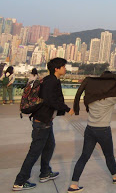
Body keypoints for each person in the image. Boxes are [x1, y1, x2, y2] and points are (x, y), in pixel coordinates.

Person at [13, 57, 74, 191]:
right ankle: (20, 181)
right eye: (63, 66)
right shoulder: (51, 81)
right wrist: (67, 108)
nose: (65, 68)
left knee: (49, 146)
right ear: (57, 69)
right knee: (34, 152)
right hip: (41, 122)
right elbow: (50, 100)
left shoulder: (50, 80)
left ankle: (45, 172)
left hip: (46, 121)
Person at [68, 70, 116, 193]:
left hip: (89, 129)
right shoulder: (110, 99)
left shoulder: (90, 98)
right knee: (109, 155)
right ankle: (115, 176)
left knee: (84, 157)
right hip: (103, 130)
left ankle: (73, 185)